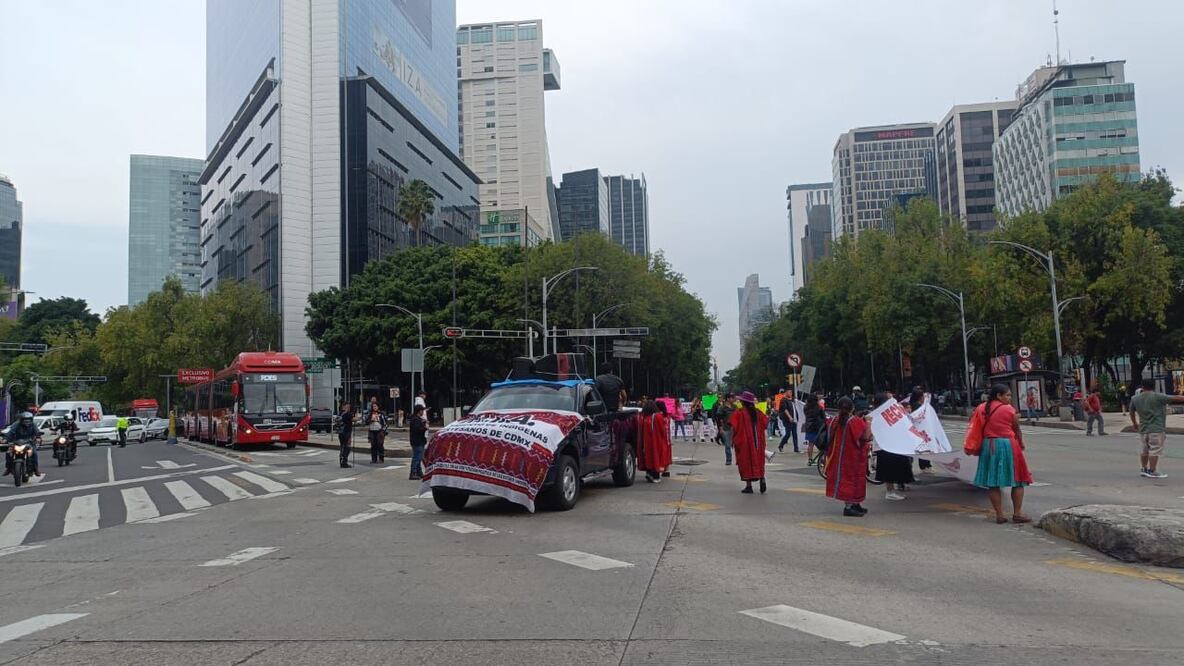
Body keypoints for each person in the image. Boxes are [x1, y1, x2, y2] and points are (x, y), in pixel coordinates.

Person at [970, 383, 1033, 524]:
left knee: (993, 482)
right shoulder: (1008, 409)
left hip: (988, 445)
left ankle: (999, 514)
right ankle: (1017, 513)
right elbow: (1016, 428)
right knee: (1018, 480)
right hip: (1007, 444)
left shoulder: (981, 408)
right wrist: (1021, 442)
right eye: (1008, 395)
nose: (1010, 398)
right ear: (999, 396)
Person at [824, 397, 872, 516]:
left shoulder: (835, 420)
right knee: (853, 480)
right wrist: (869, 422)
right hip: (853, 456)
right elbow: (866, 437)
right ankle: (849, 506)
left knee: (847, 481)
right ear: (852, 408)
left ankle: (855, 503)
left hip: (840, 457)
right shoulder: (853, 421)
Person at [1129, 377, 1184, 479]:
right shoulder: (1158, 396)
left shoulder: (1135, 398)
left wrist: (1135, 423)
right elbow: (1176, 398)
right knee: (1154, 450)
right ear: (1153, 386)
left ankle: (1144, 469)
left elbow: (1131, 411)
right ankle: (1152, 471)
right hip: (1156, 428)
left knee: (1144, 450)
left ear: (1142, 386)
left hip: (1143, 428)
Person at [873, 392, 914, 501]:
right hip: (884, 446)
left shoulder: (888, 411)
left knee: (895, 467)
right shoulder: (878, 414)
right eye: (889, 398)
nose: (892, 400)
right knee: (888, 469)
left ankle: (894, 488)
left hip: (890, 445)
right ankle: (890, 492)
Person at [729, 391, 769, 493]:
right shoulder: (758, 412)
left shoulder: (740, 412)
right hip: (758, 442)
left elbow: (733, 426)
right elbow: (765, 424)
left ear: (743, 402)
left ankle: (749, 486)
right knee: (759, 461)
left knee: (746, 462)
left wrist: (733, 439)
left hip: (745, 443)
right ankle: (762, 479)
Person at [2, 411, 42, 477]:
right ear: (21, 419)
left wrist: (38, 437)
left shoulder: (33, 425)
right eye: (25, 419)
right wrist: (5, 439)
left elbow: (37, 432)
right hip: (16, 442)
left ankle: (36, 469)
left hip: (29, 442)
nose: (27, 421)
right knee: (9, 452)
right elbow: (11, 433)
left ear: (31, 419)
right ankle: (8, 468)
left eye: (28, 419)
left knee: (34, 453)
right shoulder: (16, 424)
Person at [636, 401, 668, 482]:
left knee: (647, 458)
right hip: (655, 441)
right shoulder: (657, 416)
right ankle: (655, 476)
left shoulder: (642, 417)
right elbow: (663, 430)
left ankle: (649, 473)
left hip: (645, 442)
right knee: (656, 458)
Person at [908, 388, 934, 474]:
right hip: (921, 430)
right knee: (924, 448)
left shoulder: (914, 405)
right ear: (920, 397)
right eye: (923, 396)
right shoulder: (918, 406)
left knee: (924, 448)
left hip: (919, 430)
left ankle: (925, 465)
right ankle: (925, 466)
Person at [803, 393, 824, 465]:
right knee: (821, 445)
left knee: (810, 444)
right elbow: (823, 418)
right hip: (817, 428)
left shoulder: (806, 407)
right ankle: (822, 458)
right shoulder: (819, 408)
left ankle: (810, 459)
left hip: (809, 427)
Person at [409, 404, 429, 480]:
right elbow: (417, 429)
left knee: (419, 457)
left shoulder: (417, 419)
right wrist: (425, 427)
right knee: (417, 457)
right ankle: (413, 473)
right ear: (419, 411)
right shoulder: (415, 419)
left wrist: (423, 422)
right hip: (417, 441)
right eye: (422, 410)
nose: (423, 412)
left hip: (419, 440)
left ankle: (419, 472)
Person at [654, 400, 673, 477]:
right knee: (667, 453)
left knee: (661, 453)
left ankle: (660, 468)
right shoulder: (667, 416)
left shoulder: (658, 416)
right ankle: (666, 470)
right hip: (668, 438)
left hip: (661, 438)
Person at [716, 393, 736, 465]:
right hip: (726, 428)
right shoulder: (722, 408)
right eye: (732, 398)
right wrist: (720, 428)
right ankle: (728, 460)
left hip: (735, 428)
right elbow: (719, 419)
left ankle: (739, 459)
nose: (734, 399)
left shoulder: (735, 407)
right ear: (728, 399)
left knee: (737, 444)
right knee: (727, 445)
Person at [337, 402, 355, 468]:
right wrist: (360, 418)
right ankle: (344, 462)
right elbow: (353, 419)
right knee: (347, 447)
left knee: (342, 447)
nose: (349, 408)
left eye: (349, 407)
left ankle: (342, 461)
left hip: (340, 432)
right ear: (344, 407)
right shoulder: (347, 413)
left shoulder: (340, 413)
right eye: (347, 407)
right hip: (346, 432)